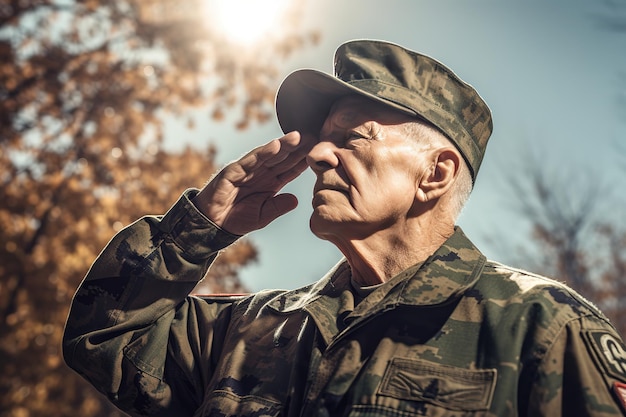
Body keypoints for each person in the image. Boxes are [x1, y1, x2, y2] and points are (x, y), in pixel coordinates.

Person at [63, 40, 626, 417]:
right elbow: (104, 337)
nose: (318, 157)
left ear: (434, 174)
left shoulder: (542, 328)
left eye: (354, 137)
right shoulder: (252, 331)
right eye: (320, 140)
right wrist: (198, 229)